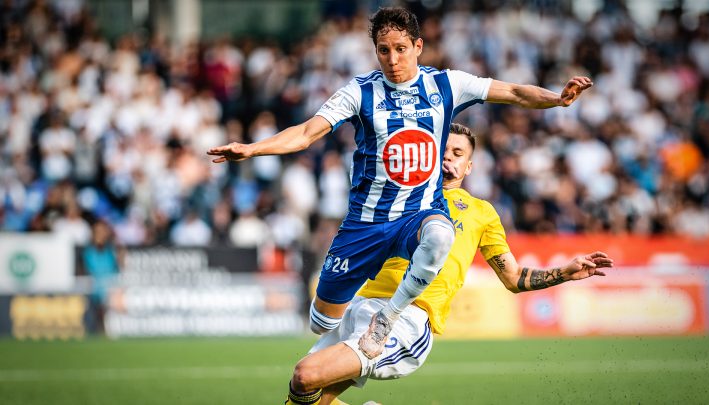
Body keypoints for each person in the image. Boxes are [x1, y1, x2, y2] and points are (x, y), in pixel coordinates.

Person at [208, 6, 592, 366]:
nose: (393, 60)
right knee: (320, 324)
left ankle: (388, 318)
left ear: (418, 47)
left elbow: (514, 92)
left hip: (416, 216)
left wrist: (557, 100)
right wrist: (252, 149)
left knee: (441, 234)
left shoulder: (448, 85)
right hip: (365, 226)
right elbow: (307, 133)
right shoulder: (358, 93)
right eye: (383, 51)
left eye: (401, 49)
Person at [284, 124, 614, 405]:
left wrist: (564, 273)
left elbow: (513, 278)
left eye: (458, 154)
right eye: (443, 150)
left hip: (406, 319)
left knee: (305, 374)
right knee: (301, 393)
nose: (448, 158)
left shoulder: (481, 213)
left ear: (469, 167)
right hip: (360, 306)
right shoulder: (398, 196)